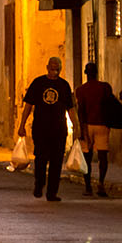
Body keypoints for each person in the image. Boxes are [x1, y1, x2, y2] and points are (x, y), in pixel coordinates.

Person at [17, 55, 78, 202]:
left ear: (60, 69)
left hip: (59, 129)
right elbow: (28, 106)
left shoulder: (64, 86)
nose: (54, 71)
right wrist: (22, 125)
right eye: (52, 68)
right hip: (41, 128)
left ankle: (52, 192)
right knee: (41, 159)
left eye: (56, 69)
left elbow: (70, 108)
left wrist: (76, 126)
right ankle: (39, 184)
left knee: (57, 162)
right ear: (47, 68)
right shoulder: (38, 83)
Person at [74, 61, 117, 197]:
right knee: (103, 156)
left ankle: (88, 187)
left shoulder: (80, 90)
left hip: (88, 125)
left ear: (86, 73)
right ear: (96, 73)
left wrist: (82, 130)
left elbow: (81, 111)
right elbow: (110, 105)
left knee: (87, 157)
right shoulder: (105, 87)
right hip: (103, 125)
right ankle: (101, 184)